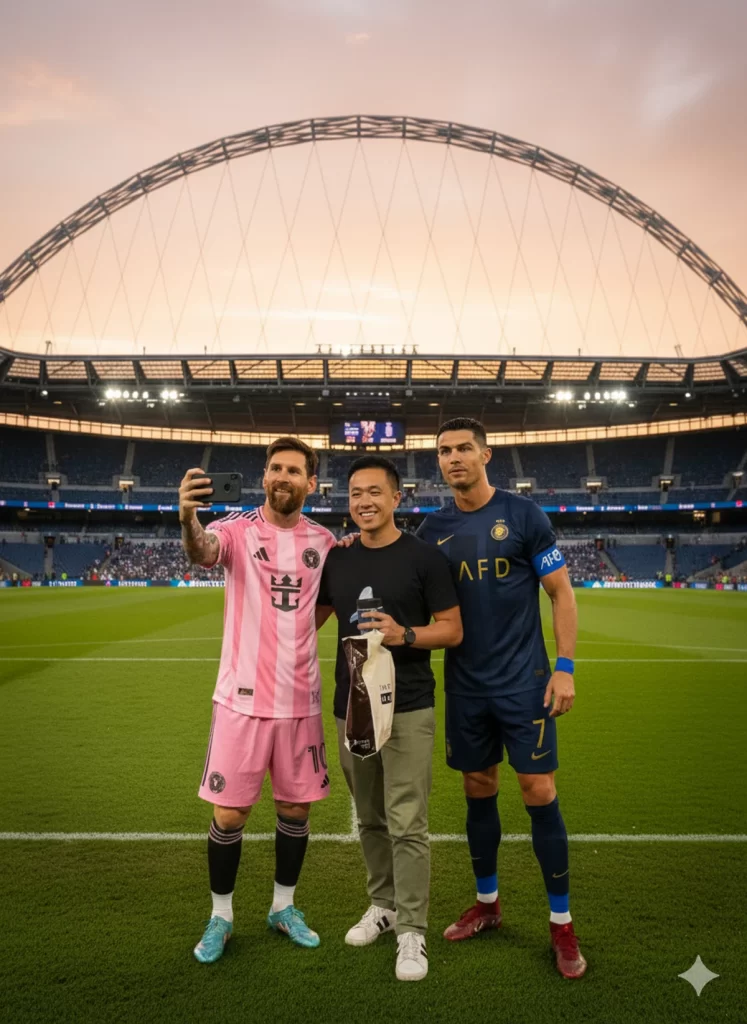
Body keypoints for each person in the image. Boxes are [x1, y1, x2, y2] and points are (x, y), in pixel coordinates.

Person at [417, 417, 587, 980]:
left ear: (486, 455)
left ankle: (561, 924)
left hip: (524, 682)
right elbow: (396, 569)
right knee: (477, 786)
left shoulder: (522, 516)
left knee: (538, 789)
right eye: (444, 451)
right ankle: (487, 905)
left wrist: (563, 668)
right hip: (466, 686)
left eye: (465, 448)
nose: (454, 458)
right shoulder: (431, 529)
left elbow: (561, 593)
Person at [179, 436, 336, 964]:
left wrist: (296, 638)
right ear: (264, 475)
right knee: (230, 814)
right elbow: (203, 551)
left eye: (294, 470)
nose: (283, 477)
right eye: (275, 468)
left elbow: (326, 603)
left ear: (310, 483)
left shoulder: (325, 541)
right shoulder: (236, 528)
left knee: (295, 808)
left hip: (300, 703)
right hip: (240, 703)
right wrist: (187, 519)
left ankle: (282, 907)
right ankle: (220, 915)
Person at [316, 455, 462, 982]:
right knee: (371, 817)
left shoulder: (425, 558)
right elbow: (306, 621)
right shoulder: (339, 559)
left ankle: (412, 932)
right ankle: (383, 906)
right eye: (356, 493)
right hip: (350, 706)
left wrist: (405, 635)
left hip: (409, 706)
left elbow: (452, 629)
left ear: (397, 498)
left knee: (407, 820)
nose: (364, 502)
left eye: (375, 492)